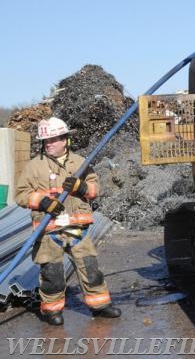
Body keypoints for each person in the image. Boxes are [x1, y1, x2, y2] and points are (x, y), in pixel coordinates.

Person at [15, 117, 121, 326]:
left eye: (53, 140)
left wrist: (82, 188)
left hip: (76, 229)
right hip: (49, 231)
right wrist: (43, 202)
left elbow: (95, 188)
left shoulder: (80, 163)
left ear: (65, 140)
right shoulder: (34, 167)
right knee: (52, 273)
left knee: (90, 267)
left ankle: (100, 305)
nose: (48, 144)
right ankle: (52, 311)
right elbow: (20, 195)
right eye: (45, 141)